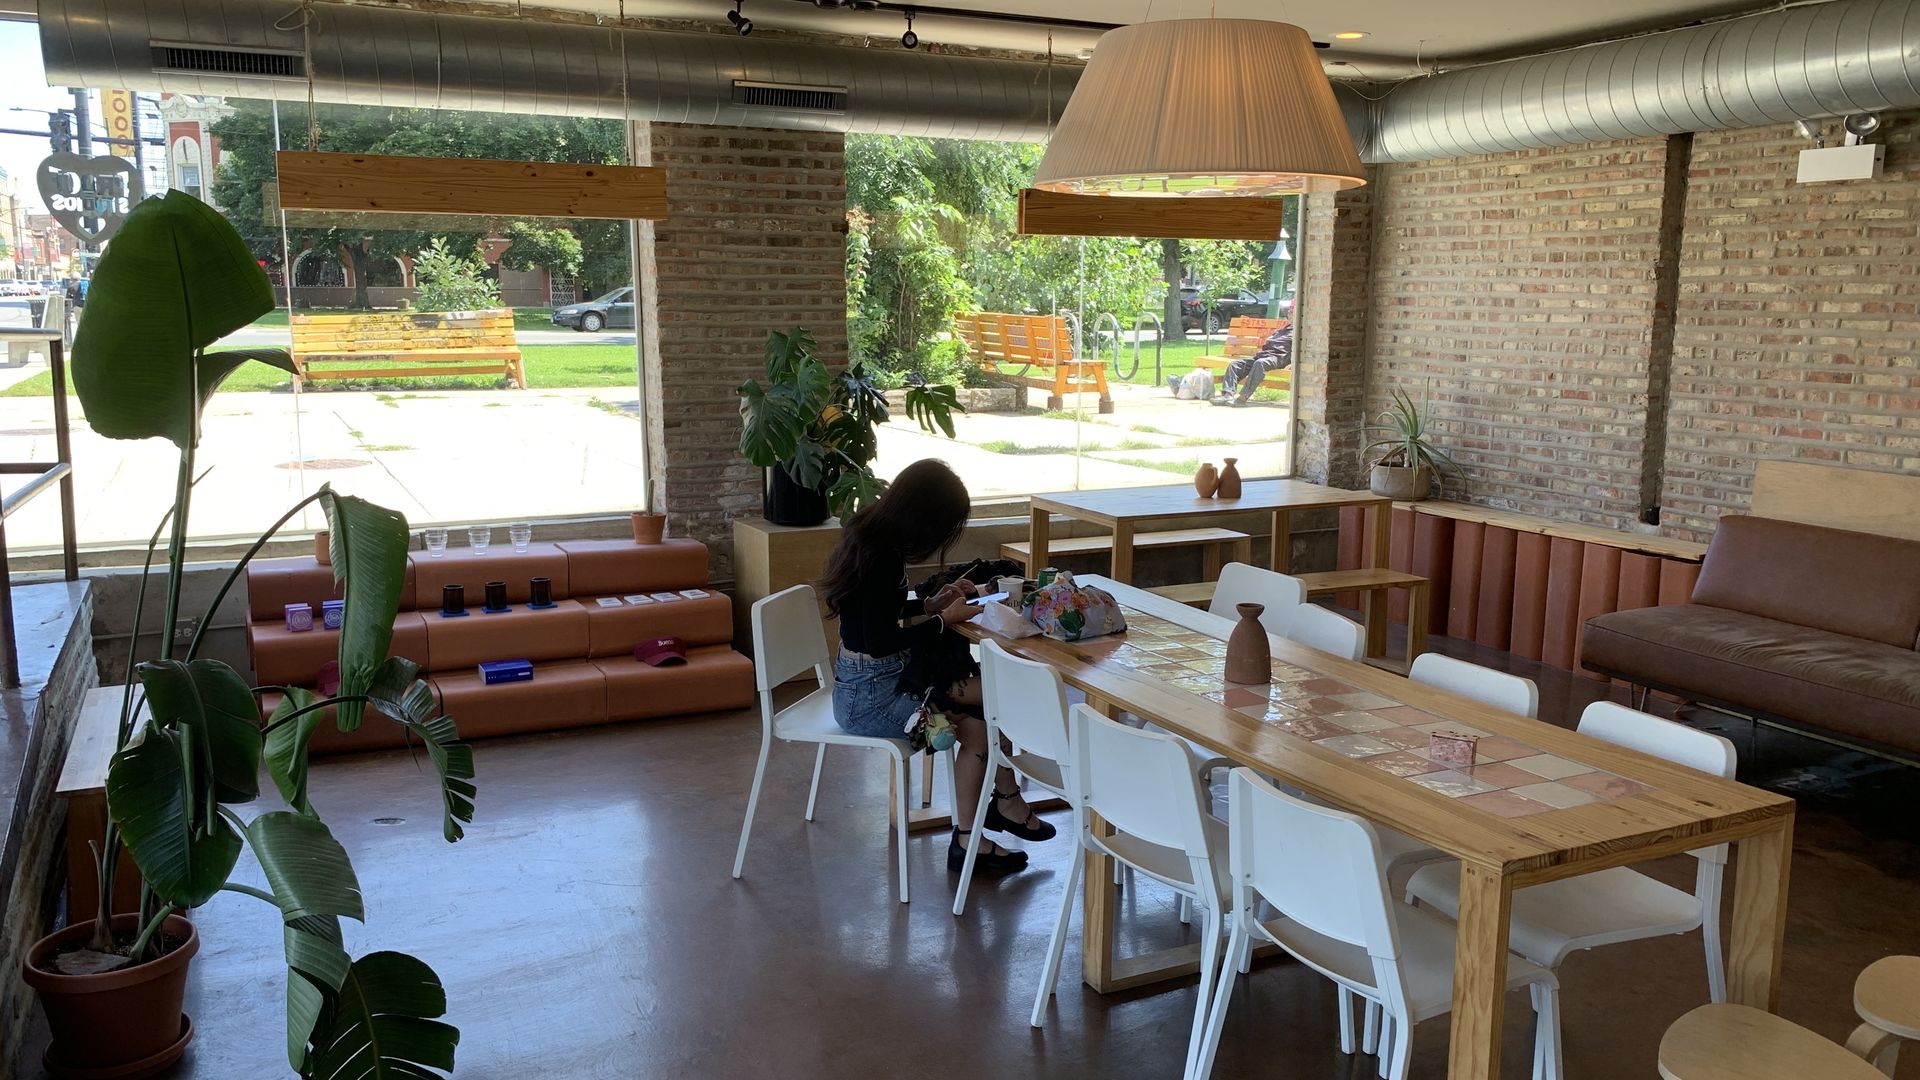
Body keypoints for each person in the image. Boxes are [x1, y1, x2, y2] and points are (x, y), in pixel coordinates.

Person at [820, 458, 1054, 875]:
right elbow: (880, 640)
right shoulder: (880, 557)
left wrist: (930, 603)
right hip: (871, 698)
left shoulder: (872, 539)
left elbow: (877, 615)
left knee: (989, 700)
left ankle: (993, 813)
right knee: (982, 720)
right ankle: (979, 829)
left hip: (875, 680)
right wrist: (945, 620)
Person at [1214, 322, 1292, 407]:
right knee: (1235, 365)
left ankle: (1242, 398)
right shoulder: (1283, 329)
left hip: (1279, 357)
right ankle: (1228, 395)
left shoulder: (1298, 331)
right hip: (1264, 355)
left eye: (1292, 314)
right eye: (1289, 314)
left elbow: (1300, 350)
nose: (1290, 315)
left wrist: (1293, 363)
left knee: (1259, 364)